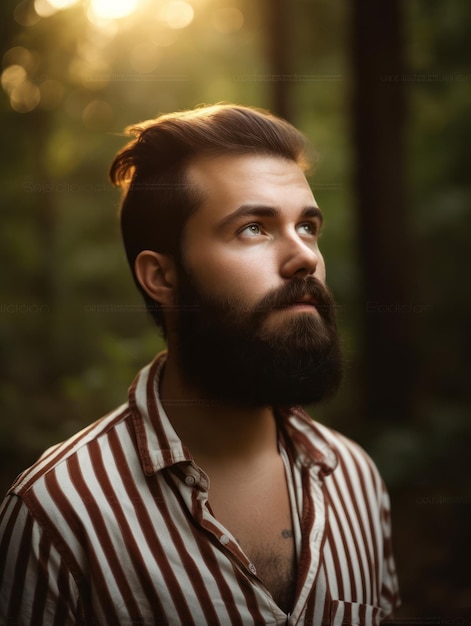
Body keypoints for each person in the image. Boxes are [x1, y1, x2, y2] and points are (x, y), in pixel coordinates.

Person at [0, 104, 400, 625]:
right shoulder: (56, 514)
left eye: (308, 225)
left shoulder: (357, 479)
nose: (304, 256)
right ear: (162, 277)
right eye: (254, 228)